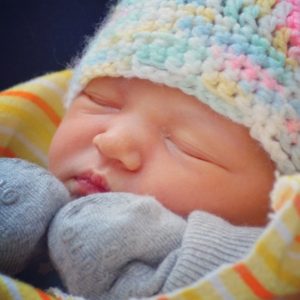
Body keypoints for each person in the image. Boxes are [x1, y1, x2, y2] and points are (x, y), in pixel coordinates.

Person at [0, 0, 299, 299]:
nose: (113, 142)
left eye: (187, 146)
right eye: (100, 102)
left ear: (277, 204)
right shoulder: (16, 135)